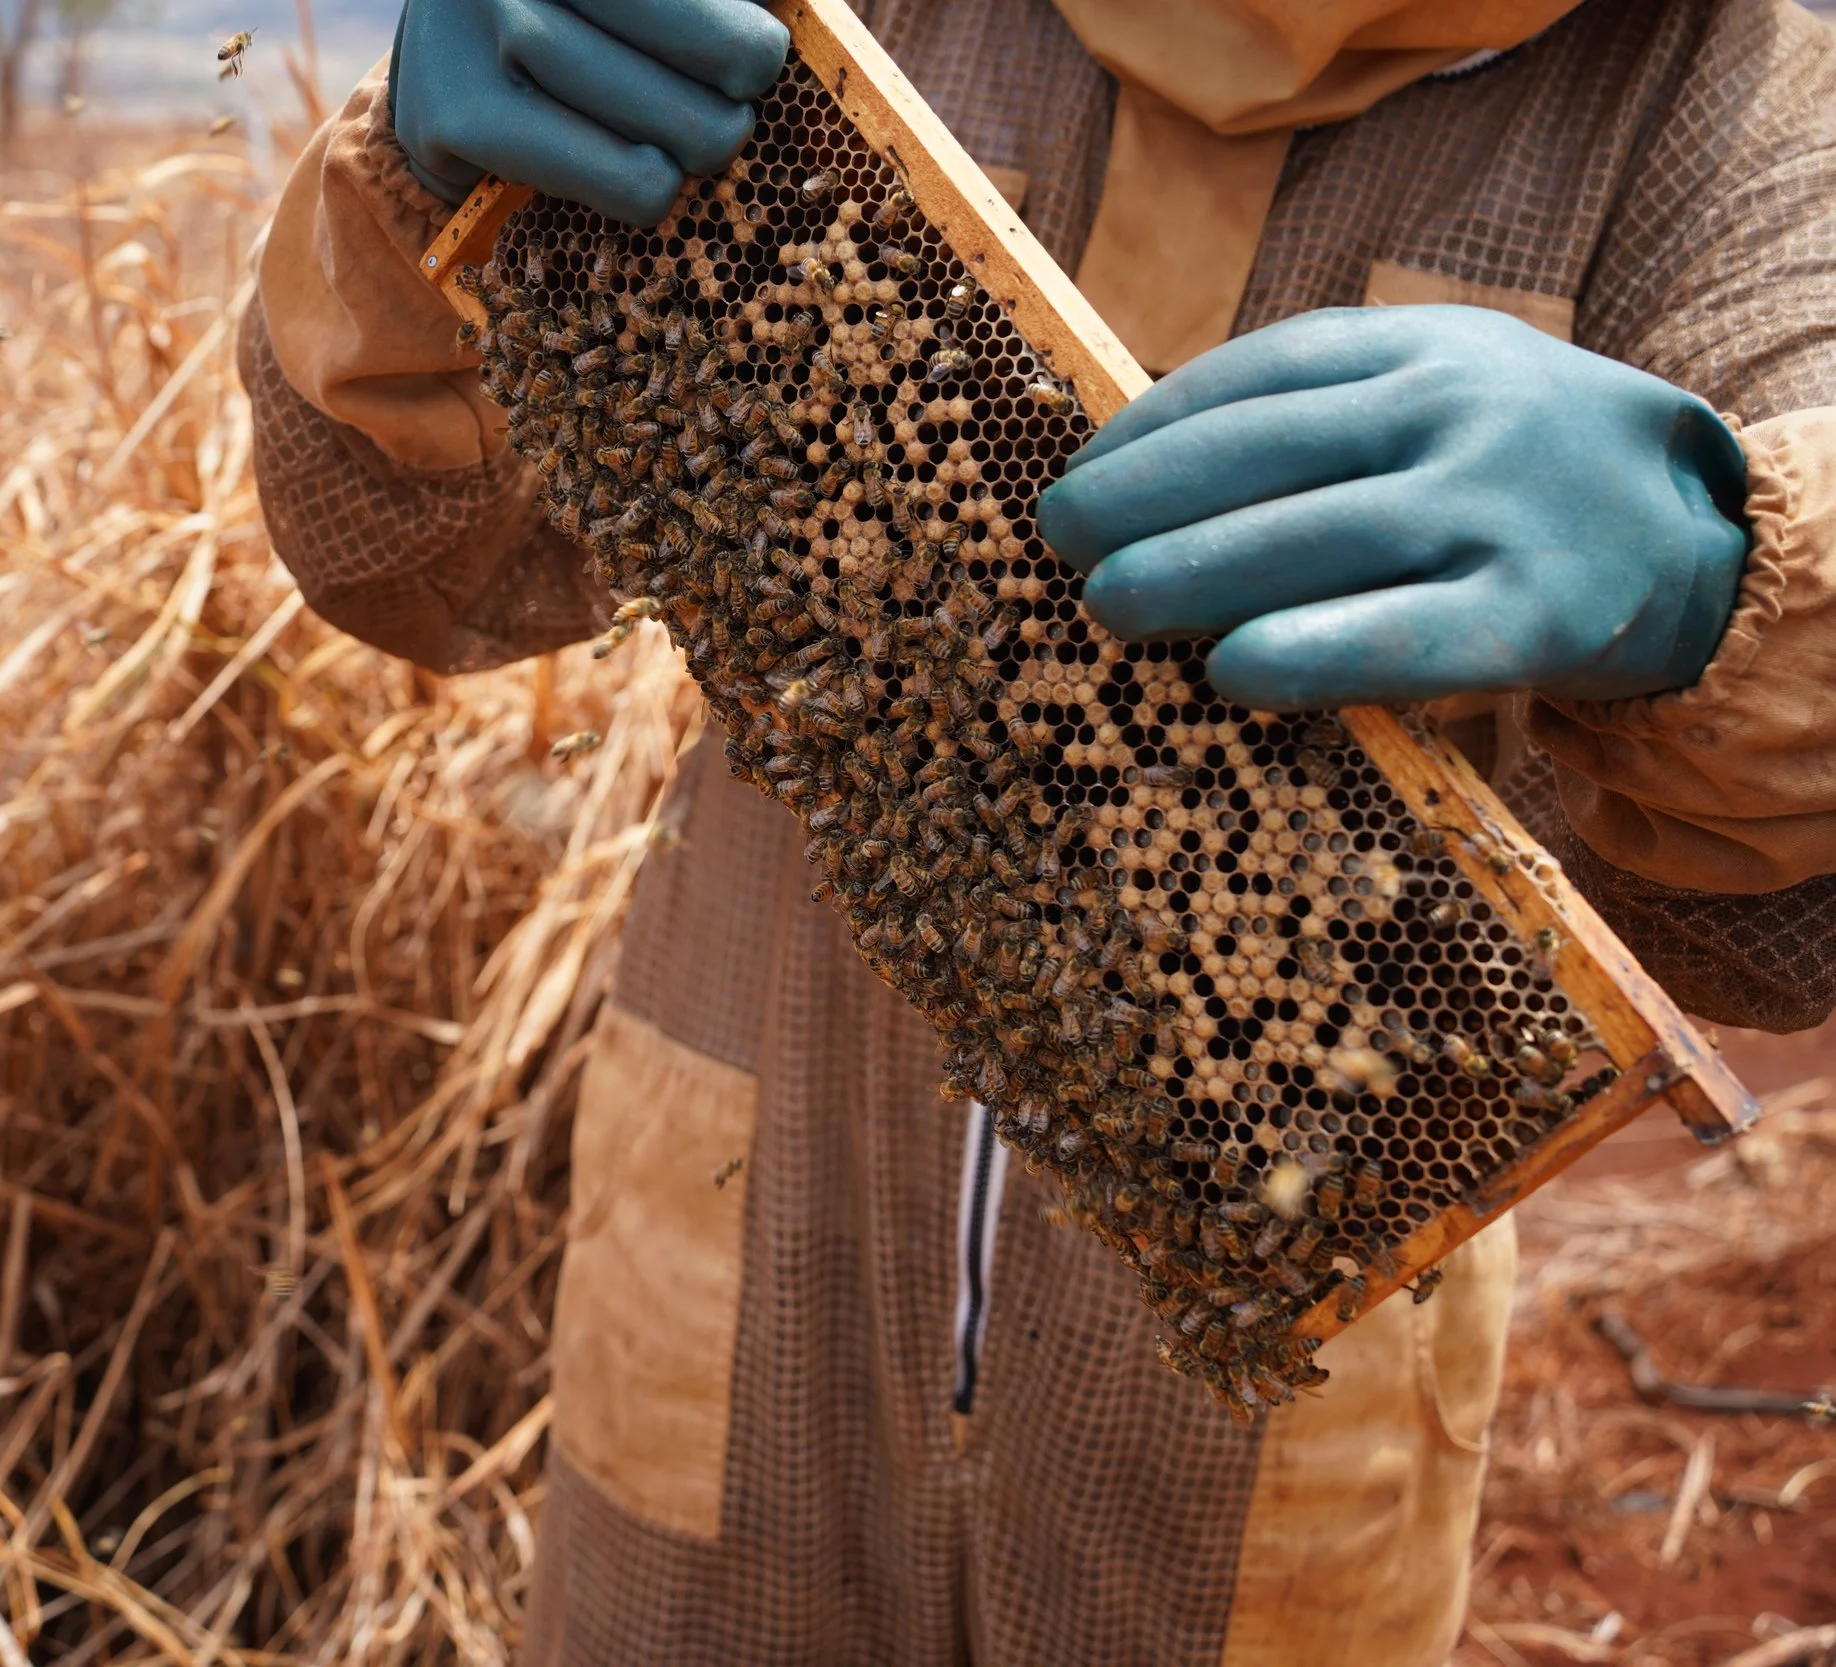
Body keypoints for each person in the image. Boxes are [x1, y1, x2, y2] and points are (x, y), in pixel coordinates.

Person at [238, 0, 1836, 1659]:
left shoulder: (1726, 100)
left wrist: (1732, 582)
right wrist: (412, 203)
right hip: (750, 1244)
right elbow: (398, 560)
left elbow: (1782, 926)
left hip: (1268, 1312)